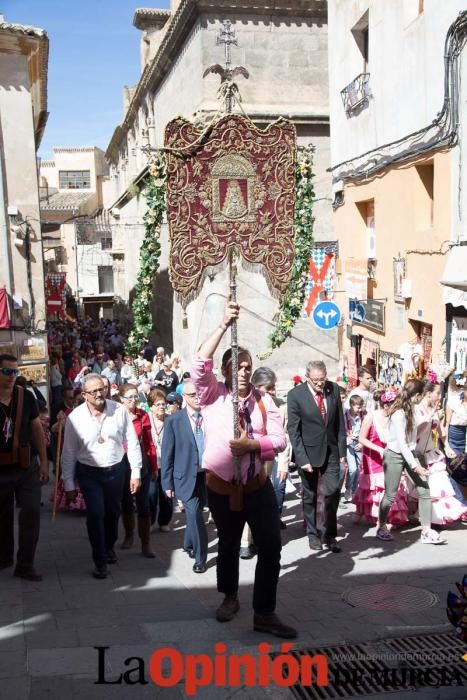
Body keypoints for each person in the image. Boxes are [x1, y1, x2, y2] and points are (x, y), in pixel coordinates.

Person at [192, 297, 296, 639]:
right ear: (225, 372)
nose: (243, 372)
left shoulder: (264, 401)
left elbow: (280, 440)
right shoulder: (212, 395)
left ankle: (264, 612)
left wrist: (253, 445)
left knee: (271, 546)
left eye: (248, 367)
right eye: (237, 367)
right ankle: (230, 596)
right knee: (229, 544)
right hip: (221, 486)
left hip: (256, 484)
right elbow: (199, 362)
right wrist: (223, 323)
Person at [61, 374, 142, 578]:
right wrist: (68, 483)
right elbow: (68, 452)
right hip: (89, 473)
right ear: (84, 395)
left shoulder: (119, 410)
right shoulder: (75, 418)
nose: (99, 394)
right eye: (94, 391)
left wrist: (136, 472)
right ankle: (100, 560)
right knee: (96, 514)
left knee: (113, 512)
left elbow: (131, 441)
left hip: (116, 470)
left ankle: (109, 546)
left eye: (102, 389)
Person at [376, 379, 446, 544]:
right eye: (421, 395)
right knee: (390, 494)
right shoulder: (398, 413)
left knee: (424, 490)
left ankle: (427, 531)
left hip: (410, 454)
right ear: (417, 395)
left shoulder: (414, 410)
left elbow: (415, 435)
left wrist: (430, 416)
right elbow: (401, 444)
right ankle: (381, 526)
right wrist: (416, 466)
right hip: (394, 455)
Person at [288, 360, 347, 553]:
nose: (320, 384)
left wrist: (342, 452)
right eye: (316, 381)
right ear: (307, 378)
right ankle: (313, 535)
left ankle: (330, 535)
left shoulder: (334, 389)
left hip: (331, 451)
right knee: (310, 495)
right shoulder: (296, 395)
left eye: (322, 380)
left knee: (332, 493)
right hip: (308, 454)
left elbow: (340, 423)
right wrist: (302, 459)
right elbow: (293, 431)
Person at [0, 354, 48, 581]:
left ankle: (25, 564)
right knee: (2, 517)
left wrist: (45, 463)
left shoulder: (25, 397)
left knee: (31, 511)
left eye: (15, 372)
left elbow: (37, 429)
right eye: (7, 372)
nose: (12, 377)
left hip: (25, 466)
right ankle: (4, 557)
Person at [240, 367, 290, 559]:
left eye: (273, 387)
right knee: (247, 500)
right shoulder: (247, 404)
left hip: (270, 460)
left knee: (264, 503)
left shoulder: (280, 406)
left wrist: (284, 464)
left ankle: (259, 539)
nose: (272, 392)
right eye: (268, 388)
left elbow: (286, 438)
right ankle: (246, 542)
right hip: (248, 461)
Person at [161, 381, 208, 573]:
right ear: (184, 398)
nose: (197, 397)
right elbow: (167, 454)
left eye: (199, 393)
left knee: (194, 515)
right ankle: (200, 558)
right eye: (192, 395)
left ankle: (189, 544)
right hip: (185, 477)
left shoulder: (211, 417)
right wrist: (167, 483)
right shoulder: (174, 421)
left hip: (209, 475)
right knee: (196, 516)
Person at [412, 382, 467, 525]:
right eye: (437, 393)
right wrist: (430, 415)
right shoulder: (417, 409)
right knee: (417, 488)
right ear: (428, 393)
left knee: (438, 484)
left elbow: (440, 430)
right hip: (416, 453)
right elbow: (417, 431)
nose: (440, 396)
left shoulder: (435, 409)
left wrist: (447, 445)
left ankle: (435, 518)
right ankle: (419, 515)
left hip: (432, 452)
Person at [353, 390, 408, 526]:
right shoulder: (371, 417)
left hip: (389, 457)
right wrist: (378, 449)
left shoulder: (395, 417)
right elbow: (361, 438)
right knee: (375, 486)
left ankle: (386, 516)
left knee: (389, 487)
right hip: (372, 458)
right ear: (386, 405)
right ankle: (372, 515)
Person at [119, 384, 157, 557]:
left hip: (142, 464)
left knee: (144, 503)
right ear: (121, 399)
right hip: (123, 465)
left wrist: (154, 465)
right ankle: (128, 535)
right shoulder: (116, 416)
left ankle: (146, 543)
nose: (134, 400)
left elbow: (149, 442)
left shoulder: (143, 415)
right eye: (129, 397)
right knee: (126, 502)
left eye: (135, 397)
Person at [146, 388, 174, 533]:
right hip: (151, 464)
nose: (162, 407)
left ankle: (164, 521)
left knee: (167, 495)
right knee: (151, 494)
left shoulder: (170, 420)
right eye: (158, 404)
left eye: (163, 404)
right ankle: (150, 521)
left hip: (167, 464)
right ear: (151, 406)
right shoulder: (146, 420)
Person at [343, 395, 365, 502]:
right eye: (358, 407)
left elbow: (365, 430)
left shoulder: (362, 415)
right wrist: (346, 438)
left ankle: (355, 489)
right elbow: (341, 430)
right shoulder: (345, 415)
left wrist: (361, 442)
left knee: (359, 467)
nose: (360, 410)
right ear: (351, 405)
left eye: (361, 407)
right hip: (349, 443)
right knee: (353, 469)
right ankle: (348, 488)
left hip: (359, 442)